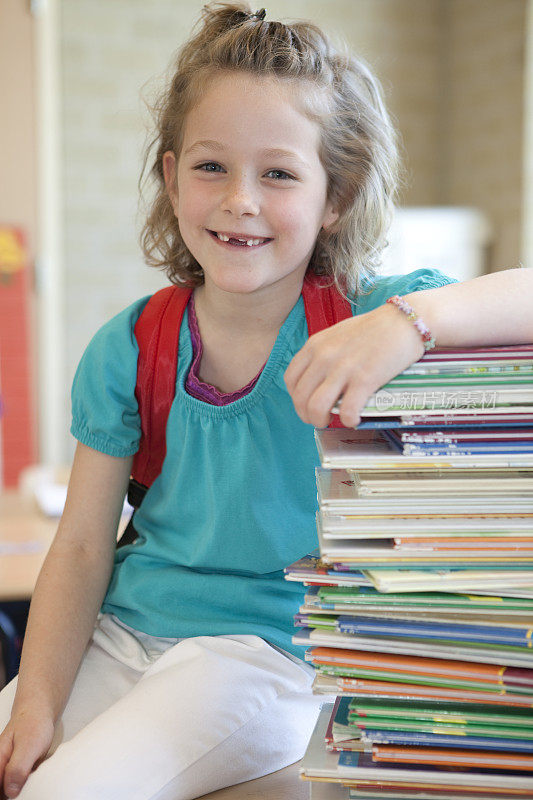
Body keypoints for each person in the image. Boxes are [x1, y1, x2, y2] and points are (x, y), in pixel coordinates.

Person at [0, 4, 532, 799]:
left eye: (278, 173)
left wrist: (406, 324)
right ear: (172, 174)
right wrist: (37, 700)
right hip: (120, 632)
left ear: (335, 199)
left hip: (267, 653)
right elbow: (80, 548)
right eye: (211, 167)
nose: (239, 200)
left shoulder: (363, 319)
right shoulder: (130, 343)